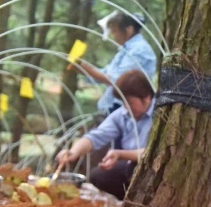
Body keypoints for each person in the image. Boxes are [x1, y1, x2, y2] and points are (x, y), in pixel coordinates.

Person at [56, 70, 155, 200]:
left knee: (134, 170)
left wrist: (120, 154)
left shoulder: (162, 114)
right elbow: (95, 137)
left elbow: (154, 153)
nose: (126, 108)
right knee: (99, 176)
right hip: (130, 165)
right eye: (123, 103)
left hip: (153, 168)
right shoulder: (122, 115)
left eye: (130, 103)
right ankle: (128, 202)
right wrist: (73, 152)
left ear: (147, 97)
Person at [79, 12, 157, 114]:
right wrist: (82, 68)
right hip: (114, 109)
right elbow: (106, 72)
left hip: (125, 110)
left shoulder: (139, 50)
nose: (113, 35)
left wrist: (87, 68)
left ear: (129, 30)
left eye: (115, 31)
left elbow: (118, 81)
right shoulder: (126, 49)